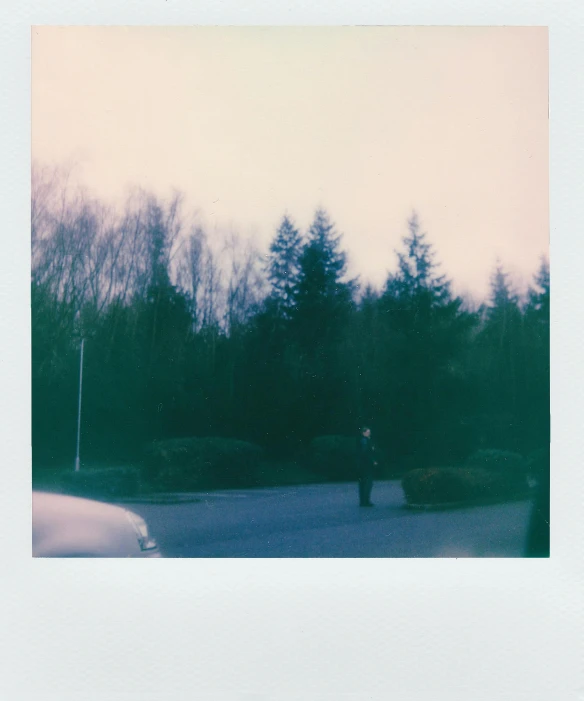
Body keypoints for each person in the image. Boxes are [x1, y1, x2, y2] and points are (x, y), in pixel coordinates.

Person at [357, 426, 377, 507]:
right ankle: (366, 501)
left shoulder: (362, 440)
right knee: (368, 483)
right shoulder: (365, 441)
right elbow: (366, 453)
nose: (370, 433)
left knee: (362, 483)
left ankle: (362, 501)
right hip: (366, 465)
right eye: (368, 432)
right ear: (363, 433)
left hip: (361, 465)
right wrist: (373, 461)